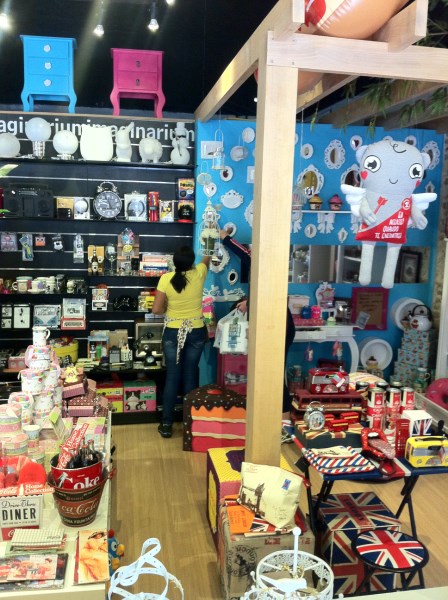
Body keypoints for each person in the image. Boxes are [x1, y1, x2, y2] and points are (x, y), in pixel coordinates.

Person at [220, 229, 295, 416]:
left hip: (277, 327)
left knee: (274, 374)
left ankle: (282, 419)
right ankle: (274, 418)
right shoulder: (270, 268)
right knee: (270, 374)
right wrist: (248, 303)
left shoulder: (264, 265)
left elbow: (244, 253)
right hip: (278, 325)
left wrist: (225, 238)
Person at [152, 246, 211, 438]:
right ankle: (190, 426)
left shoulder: (165, 279)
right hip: (196, 331)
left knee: (172, 377)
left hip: (172, 332)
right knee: (190, 375)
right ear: (192, 262)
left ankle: (166, 425)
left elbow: (156, 310)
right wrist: (218, 235)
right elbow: (207, 257)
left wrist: (169, 308)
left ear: (174, 262)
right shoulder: (199, 273)